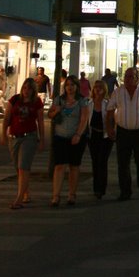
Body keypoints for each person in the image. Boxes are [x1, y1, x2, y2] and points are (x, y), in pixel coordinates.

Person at [106, 67, 139, 200]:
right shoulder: (118, 92)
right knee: (123, 162)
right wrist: (110, 128)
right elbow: (110, 111)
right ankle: (125, 190)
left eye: (131, 76)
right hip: (123, 131)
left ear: (137, 78)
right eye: (126, 76)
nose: (127, 79)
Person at [1, 78, 45, 209]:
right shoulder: (14, 100)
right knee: (17, 167)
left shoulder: (36, 102)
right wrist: (3, 134)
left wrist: (42, 140)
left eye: (29, 89)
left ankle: (19, 198)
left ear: (33, 90)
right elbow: (7, 118)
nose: (26, 91)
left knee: (23, 166)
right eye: (25, 88)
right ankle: (26, 192)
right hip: (14, 137)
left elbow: (40, 122)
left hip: (29, 137)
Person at [48, 74, 90, 207]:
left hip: (76, 137)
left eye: (72, 85)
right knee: (59, 165)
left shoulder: (82, 101)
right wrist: (56, 111)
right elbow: (50, 114)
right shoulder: (59, 100)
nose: (69, 88)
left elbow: (84, 118)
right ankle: (56, 195)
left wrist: (78, 134)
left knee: (74, 166)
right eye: (67, 85)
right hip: (60, 136)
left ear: (77, 87)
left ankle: (72, 194)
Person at [88, 79, 113, 199]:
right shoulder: (89, 104)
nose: (97, 90)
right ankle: (96, 188)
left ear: (104, 90)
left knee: (102, 161)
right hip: (93, 136)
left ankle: (101, 188)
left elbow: (112, 119)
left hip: (105, 136)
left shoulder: (107, 104)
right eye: (96, 87)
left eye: (100, 87)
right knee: (95, 161)